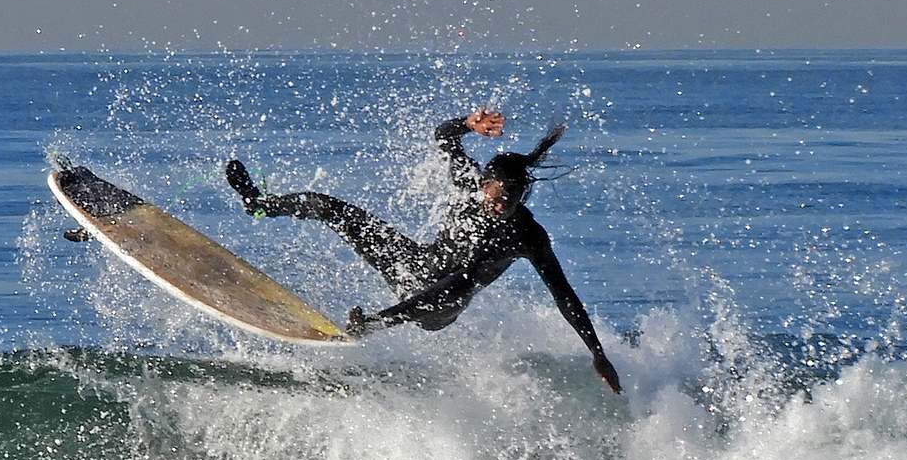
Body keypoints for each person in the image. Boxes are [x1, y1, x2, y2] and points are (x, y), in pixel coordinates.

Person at [224, 108, 621, 393]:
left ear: (523, 195)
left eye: (511, 200)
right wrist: (466, 124)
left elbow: (564, 295)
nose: (500, 206)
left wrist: (597, 353)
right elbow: (443, 138)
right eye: (495, 197)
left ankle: (376, 324)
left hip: (442, 306)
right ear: (484, 185)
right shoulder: (471, 185)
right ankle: (259, 204)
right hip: (414, 267)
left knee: (463, 279)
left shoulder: (526, 234)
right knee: (335, 210)